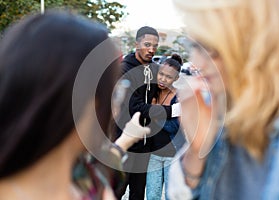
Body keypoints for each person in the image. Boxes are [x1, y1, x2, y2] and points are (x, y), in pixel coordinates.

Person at [0, 11, 150, 200]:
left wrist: (126, 139)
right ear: (88, 104)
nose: (116, 109)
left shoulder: (75, 177)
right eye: (115, 92)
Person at [167, 0, 279, 199]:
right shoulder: (220, 112)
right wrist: (196, 153)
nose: (197, 63)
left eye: (210, 47)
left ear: (255, 40)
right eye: (194, 46)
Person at [115, 26, 181, 200]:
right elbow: (134, 107)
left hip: (145, 145)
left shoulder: (153, 69)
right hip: (126, 141)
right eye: (147, 44)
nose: (152, 49)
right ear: (137, 44)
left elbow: (164, 86)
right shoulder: (124, 70)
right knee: (117, 191)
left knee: (138, 193)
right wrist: (171, 111)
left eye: (155, 45)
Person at [146, 54, 186, 200]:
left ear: (175, 79)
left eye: (168, 77)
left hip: (173, 156)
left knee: (172, 196)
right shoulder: (152, 92)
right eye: (161, 74)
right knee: (152, 196)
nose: (163, 79)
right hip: (153, 155)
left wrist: (156, 116)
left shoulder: (179, 97)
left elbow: (174, 127)